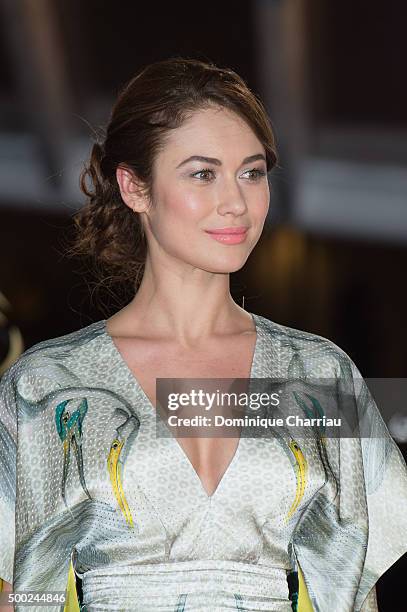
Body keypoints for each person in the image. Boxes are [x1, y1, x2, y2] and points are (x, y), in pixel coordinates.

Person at [1, 57, 407, 612]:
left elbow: (356, 589)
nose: (236, 202)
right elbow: (22, 592)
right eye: (202, 173)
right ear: (134, 187)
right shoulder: (45, 385)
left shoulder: (320, 373)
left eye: (252, 172)